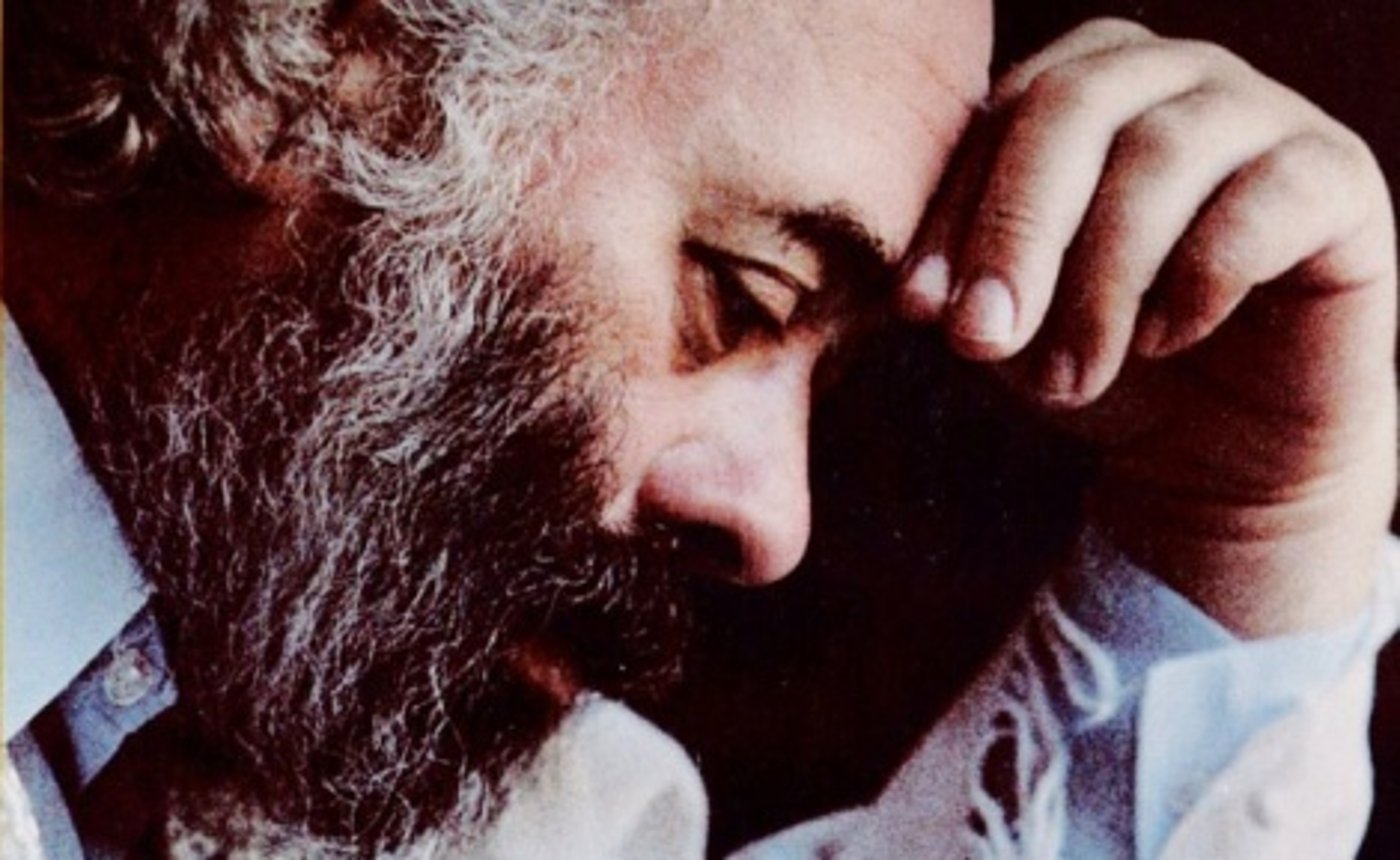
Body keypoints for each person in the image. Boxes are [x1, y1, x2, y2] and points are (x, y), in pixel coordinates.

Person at [2, 0, 1394, 857]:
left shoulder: (532, 821)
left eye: (824, 384)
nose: (775, 520)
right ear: (301, 41)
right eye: (744, 296)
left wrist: (1240, 522)